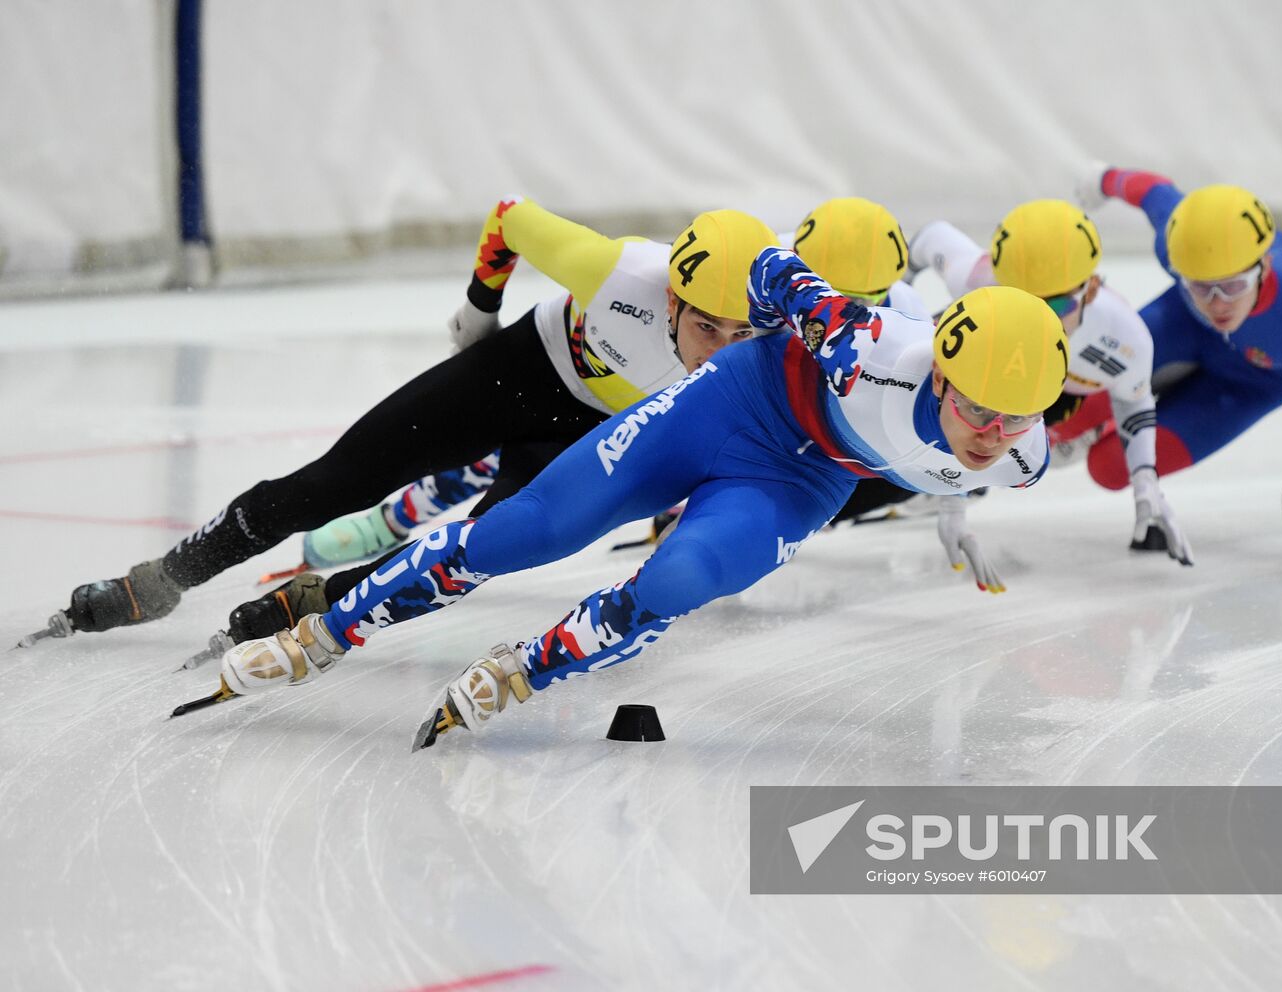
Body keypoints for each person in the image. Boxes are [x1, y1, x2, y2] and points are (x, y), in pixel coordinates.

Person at [198, 249, 1069, 746]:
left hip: (802, 477)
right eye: (975, 408)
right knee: (527, 530)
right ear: (942, 373)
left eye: (1012, 419)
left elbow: (968, 470)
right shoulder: (867, 341)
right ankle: (322, 635)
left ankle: (533, 665)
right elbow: (771, 268)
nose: (990, 431)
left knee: (680, 576)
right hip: (737, 401)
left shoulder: (1023, 458)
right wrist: (764, 320)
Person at [41, 201, 777, 640]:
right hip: (522, 368)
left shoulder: (763, 344)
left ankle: (315, 601)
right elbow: (511, 217)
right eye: (708, 328)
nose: (723, 350)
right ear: (672, 301)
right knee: (335, 482)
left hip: (581, 435)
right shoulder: (618, 272)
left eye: (742, 336)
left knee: (478, 551)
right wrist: (479, 310)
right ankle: (162, 578)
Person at [300, 195, 933, 567]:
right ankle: (402, 513)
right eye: (828, 299)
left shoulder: (898, 325)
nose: (836, 324)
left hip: (668, 396)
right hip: (624, 367)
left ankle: (401, 528)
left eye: (866, 302)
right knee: (493, 442)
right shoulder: (767, 281)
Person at [1068, 167, 1282, 557]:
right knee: (1065, 410)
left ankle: (1108, 423)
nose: (1217, 304)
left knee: (1107, 468)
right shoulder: (1180, 240)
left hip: (1253, 385)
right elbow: (1153, 192)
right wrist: (1102, 179)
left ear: (1263, 268)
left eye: (1232, 286)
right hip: (1185, 326)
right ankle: (1097, 420)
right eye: (1200, 286)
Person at [906, 199, 1191, 563]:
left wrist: (1145, 479)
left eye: (1055, 308)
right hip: (995, 361)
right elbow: (931, 238)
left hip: (1062, 391)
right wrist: (899, 302)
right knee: (929, 354)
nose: (1035, 320)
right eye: (1020, 300)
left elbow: (1133, 402)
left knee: (1042, 450)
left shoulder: (1125, 338)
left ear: (1091, 290)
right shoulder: (978, 278)